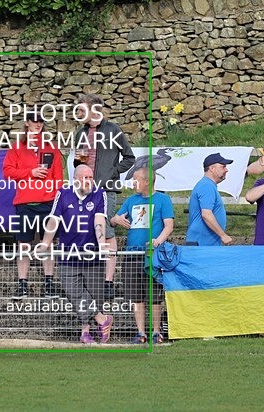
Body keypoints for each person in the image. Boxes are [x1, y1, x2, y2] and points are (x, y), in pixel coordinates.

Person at [38, 165, 114, 344]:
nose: (89, 181)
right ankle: (102, 319)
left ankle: (85, 331)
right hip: (67, 255)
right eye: (85, 178)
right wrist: (45, 242)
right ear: (75, 179)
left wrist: (102, 244)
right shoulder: (63, 193)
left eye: (90, 177)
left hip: (92, 255)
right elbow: (54, 219)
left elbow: (99, 220)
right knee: (73, 293)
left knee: (93, 294)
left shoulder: (99, 193)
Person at [73, 94, 135, 299]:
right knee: (86, 231)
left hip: (107, 190)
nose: (78, 113)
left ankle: (108, 281)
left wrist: (112, 172)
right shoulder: (80, 132)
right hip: (84, 190)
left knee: (107, 232)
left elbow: (129, 157)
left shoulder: (113, 130)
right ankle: (89, 278)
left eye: (82, 109)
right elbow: (79, 162)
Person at [2, 111, 62, 299]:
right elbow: (7, 172)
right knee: (24, 245)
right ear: (26, 123)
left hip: (48, 202)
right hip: (25, 203)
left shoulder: (51, 148)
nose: (38, 124)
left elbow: (58, 178)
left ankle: (49, 282)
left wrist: (56, 199)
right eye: (34, 121)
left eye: (41, 121)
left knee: (49, 244)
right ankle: (22, 283)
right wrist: (31, 172)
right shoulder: (17, 147)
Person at [110, 167, 173, 344]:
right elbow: (114, 220)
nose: (133, 183)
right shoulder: (131, 200)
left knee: (154, 296)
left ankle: (156, 332)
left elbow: (169, 225)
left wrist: (158, 241)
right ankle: (140, 333)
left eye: (136, 179)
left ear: (147, 181)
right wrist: (116, 220)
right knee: (135, 296)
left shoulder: (163, 200)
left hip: (152, 255)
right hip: (132, 254)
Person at [186, 153, 233, 246]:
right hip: (202, 244)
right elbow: (206, 214)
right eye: (223, 167)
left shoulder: (208, 185)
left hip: (204, 243)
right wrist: (223, 235)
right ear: (212, 168)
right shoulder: (207, 186)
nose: (226, 170)